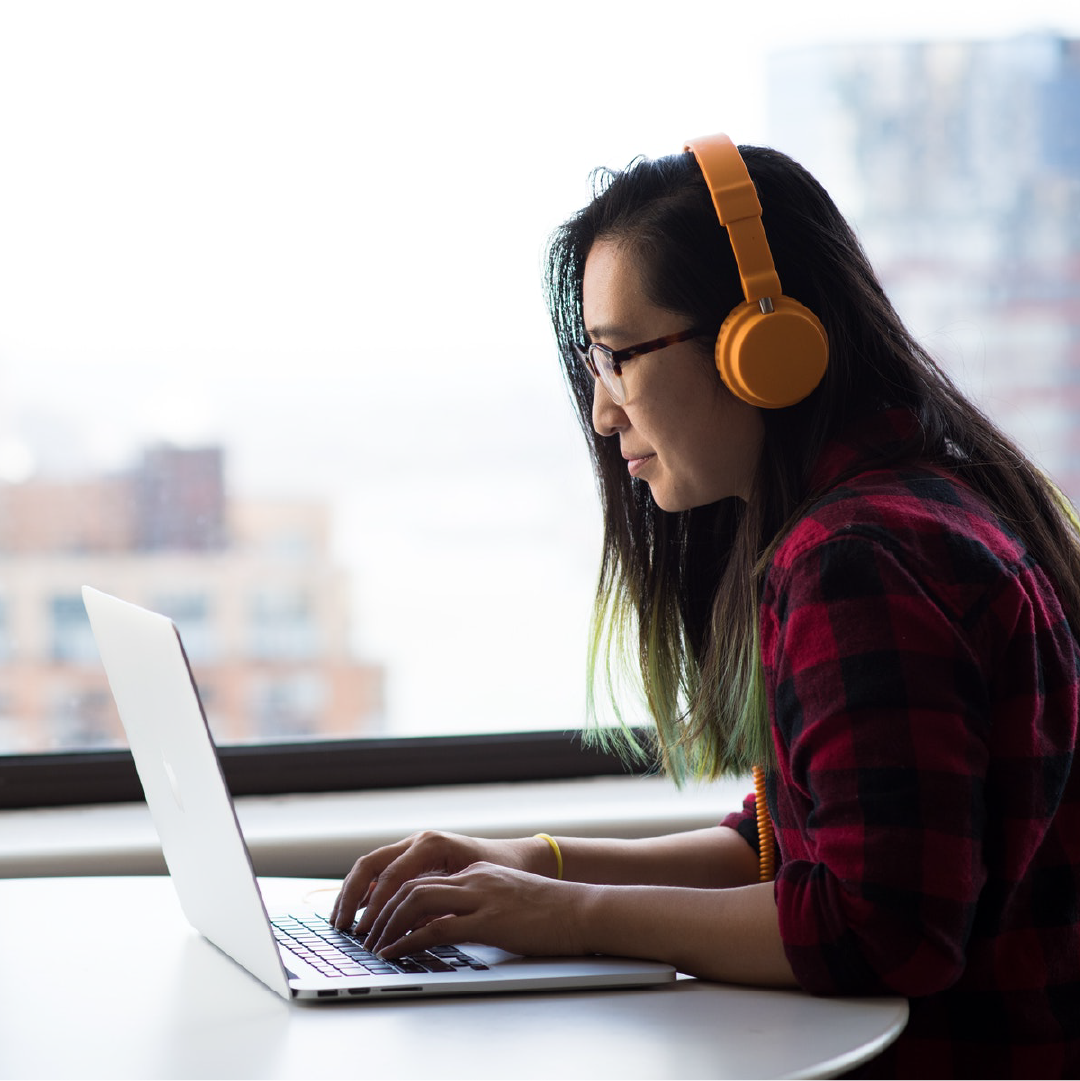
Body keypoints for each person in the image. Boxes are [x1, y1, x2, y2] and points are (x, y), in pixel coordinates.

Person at [330, 134, 1080, 1078]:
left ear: (761, 344)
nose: (604, 414)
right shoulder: (906, 505)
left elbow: (877, 926)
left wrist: (566, 919)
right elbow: (782, 845)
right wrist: (536, 861)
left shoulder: (858, 560)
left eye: (619, 356)